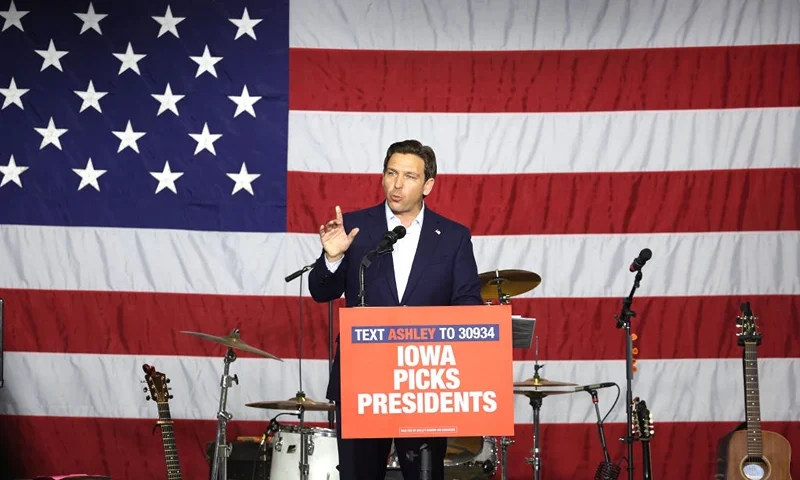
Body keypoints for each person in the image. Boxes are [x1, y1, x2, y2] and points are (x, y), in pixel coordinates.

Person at [307, 139, 484, 480]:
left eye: (409, 176)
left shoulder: (452, 236)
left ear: (428, 184)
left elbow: (468, 303)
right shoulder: (356, 227)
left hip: (424, 381)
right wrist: (333, 257)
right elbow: (321, 291)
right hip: (362, 380)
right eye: (391, 173)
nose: (397, 184)